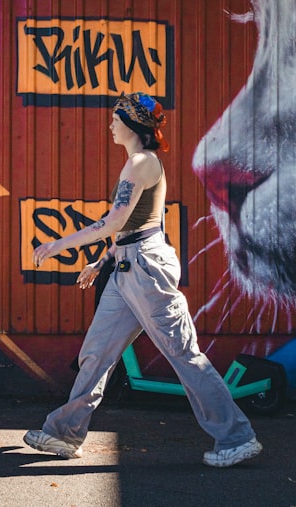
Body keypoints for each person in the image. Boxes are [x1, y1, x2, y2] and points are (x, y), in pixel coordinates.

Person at [25, 92, 262, 468]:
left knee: (184, 355)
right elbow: (134, 228)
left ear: (132, 125)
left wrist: (59, 244)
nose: (110, 124)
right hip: (127, 268)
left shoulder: (140, 163)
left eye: (116, 118)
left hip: (145, 271)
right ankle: (64, 434)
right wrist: (101, 262)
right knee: (96, 353)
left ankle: (237, 437)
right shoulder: (137, 164)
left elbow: (116, 222)